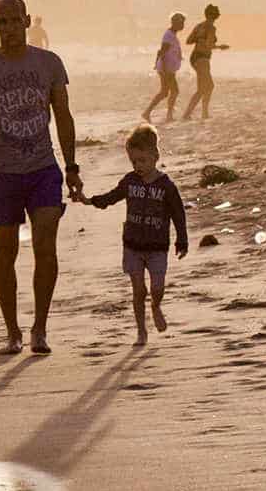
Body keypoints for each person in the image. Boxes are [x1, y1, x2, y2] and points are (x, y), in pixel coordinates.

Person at [0, 0, 80, 355]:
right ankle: (11, 331)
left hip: (43, 168)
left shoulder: (49, 63)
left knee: (46, 249)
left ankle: (39, 329)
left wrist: (72, 167)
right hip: (0, 172)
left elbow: (63, 115)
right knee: (5, 253)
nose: (10, 27)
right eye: (3, 21)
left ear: (27, 21)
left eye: (16, 20)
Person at [77, 124, 188, 346]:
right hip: (133, 246)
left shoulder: (167, 186)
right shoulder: (130, 181)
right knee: (139, 290)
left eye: (143, 161)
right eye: (134, 161)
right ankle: (141, 331)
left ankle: (156, 306)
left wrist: (182, 239)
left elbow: (178, 214)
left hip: (157, 247)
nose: (138, 166)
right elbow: (112, 197)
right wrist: (90, 200)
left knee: (156, 288)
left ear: (155, 157)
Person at [181, 4, 229, 121]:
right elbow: (209, 45)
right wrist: (220, 47)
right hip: (203, 58)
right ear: (215, 16)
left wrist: (199, 38)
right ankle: (189, 114)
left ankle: (203, 113)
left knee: (207, 86)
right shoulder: (211, 28)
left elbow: (188, 41)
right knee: (204, 87)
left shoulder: (199, 26)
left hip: (195, 57)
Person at [143, 12, 186, 123]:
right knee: (173, 91)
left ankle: (148, 113)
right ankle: (168, 115)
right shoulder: (169, 35)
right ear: (176, 23)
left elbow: (162, 51)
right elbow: (162, 52)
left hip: (168, 68)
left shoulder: (172, 35)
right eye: (181, 23)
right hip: (166, 69)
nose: (183, 25)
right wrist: (165, 69)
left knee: (165, 92)